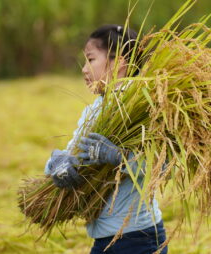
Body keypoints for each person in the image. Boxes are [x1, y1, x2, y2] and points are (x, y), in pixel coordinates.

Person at [44, 24, 168, 254]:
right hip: (105, 238)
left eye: (90, 60)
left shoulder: (144, 106)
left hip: (137, 238)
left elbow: (162, 165)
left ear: (119, 62)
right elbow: (73, 153)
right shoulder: (95, 109)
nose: (83, 69)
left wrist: (118, 156)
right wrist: (56, 163)